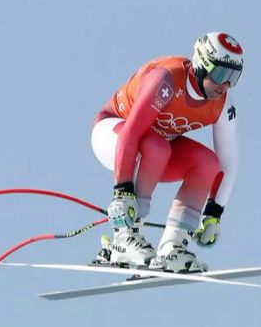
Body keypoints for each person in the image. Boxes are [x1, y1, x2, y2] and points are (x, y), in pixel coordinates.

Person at [90, 32, 243, 272]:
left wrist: (214, 214)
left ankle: (173, 247)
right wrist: (122, 192)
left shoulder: (223, 104)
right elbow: (131, 133)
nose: (225, 85)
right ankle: (124, 239)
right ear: (202, 65)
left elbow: (228, 163)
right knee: (156, 146)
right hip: (113, 134)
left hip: (155, 148)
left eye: (233, 77)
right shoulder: (167, 80)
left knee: (207, 164)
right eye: (221, 74)